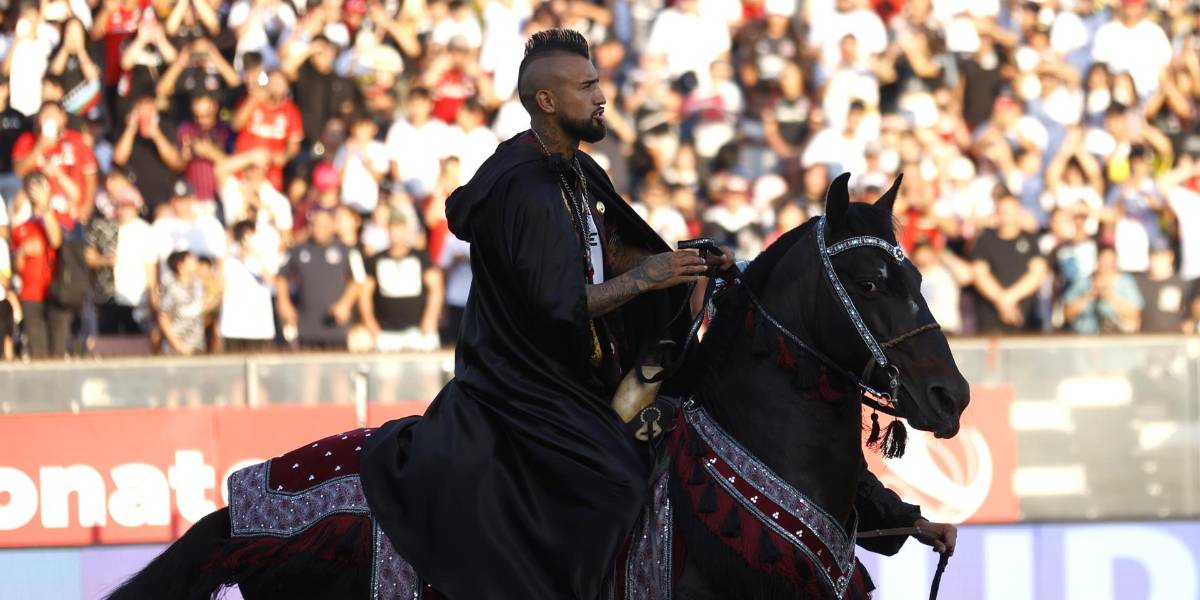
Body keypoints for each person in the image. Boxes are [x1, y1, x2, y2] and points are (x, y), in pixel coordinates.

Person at [360, 29, 722, 599]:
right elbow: (560, 307)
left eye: (598, 83)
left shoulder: (578, 169)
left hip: (574, 372)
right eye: (587, 87)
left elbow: (610, 250)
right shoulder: (524, 188)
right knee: (613, 480)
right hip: (520, 384)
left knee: (682, 422)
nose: (602, 97)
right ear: (547, 101)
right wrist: (651, 277)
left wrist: (682, 263)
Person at [275, 207, 363, 351]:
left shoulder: (347, 251)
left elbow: (358, 281)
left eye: (323, 225)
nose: (318, 229)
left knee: (337, 363)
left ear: (332, 226)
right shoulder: (298, 250)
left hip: (336, 325)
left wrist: (345, 303)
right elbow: (281, 277)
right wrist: (284, 303)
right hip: (306, 324)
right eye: (315, 225)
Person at [360, 212, 444, 352]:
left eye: (399, 228)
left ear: (406, 230)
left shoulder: (421, 256)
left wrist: (430, 318)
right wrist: (371, 324)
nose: (396, 233)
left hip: (418, 332)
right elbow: (365, 294)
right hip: (386, 333)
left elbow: (436, 288)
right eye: (392, 228)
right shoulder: (376, 259)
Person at [971, 193, 1049, 333]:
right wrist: (1001, 301)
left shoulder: (1030, 239)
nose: (1006, 215)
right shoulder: (985, 239)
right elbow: (979, 274)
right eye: (1002, 211)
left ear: (1019, 212)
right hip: (990, 318)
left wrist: (1009, 298)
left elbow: (1038, 273)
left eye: (1011, 210)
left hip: (1025, 318)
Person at [1062, 245, 1143, 334]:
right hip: (1083, 335)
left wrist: (1110, 296)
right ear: (1097, 261)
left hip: (1114, 335)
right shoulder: (1083, 282)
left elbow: (1135, 315)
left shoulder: (1126, 282)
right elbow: (1066, 315)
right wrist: (1088, 296)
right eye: (1103, 261)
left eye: (1110, 262)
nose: (1106, 265)